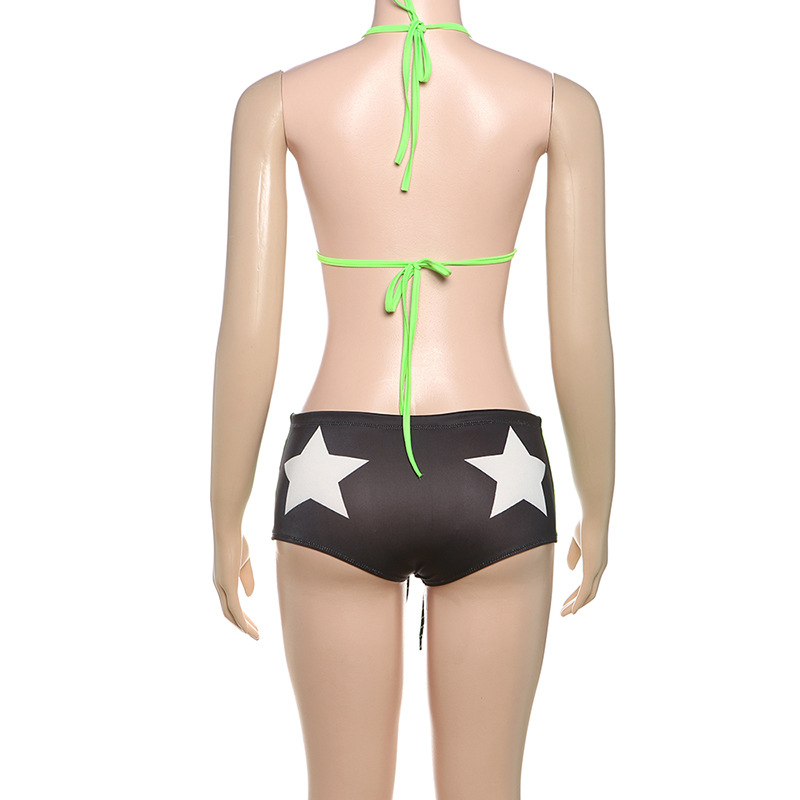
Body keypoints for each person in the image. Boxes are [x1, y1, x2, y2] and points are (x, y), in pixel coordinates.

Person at [211, 0, 615, 796]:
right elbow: (582, 332)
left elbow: (247, 329)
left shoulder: (277, 101)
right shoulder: (557, 103)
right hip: (497, 470)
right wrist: (599, 503)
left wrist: (224, 513)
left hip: (335, 467)